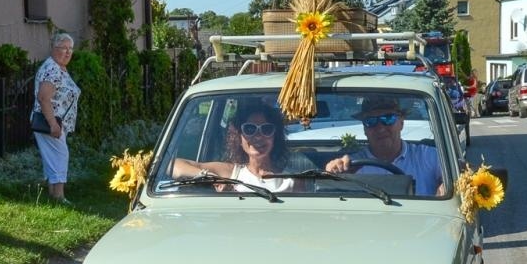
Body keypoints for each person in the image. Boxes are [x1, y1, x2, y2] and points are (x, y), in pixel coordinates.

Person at [169, 103, 306, 193]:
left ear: (275, 136)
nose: (258, 136)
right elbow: (173, 166)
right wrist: (211, 177)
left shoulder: (292, 181)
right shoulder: (231, 173)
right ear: (239, 136)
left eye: (266, 129)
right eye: (250, 129)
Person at [325, 96, 444, 196]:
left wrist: (447, 188)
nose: (380, 128)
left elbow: (457, 181)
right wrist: (333, 174)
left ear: (401, 123)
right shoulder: (352, 166)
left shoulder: (429, 157)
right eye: (370, 121)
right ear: (365, 129)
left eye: (388, 119)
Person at [31, 32, 80, 204]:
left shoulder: (58, 68)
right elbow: (44, 98)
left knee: (54, 156)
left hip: (57, 122)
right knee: (60, 155)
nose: (67, 52)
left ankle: (53, 194)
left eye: (70, 49)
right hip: (50, 122)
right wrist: (53, 124)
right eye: (63, 48)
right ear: (54, 48)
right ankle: (58, 196)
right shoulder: (52, 69)